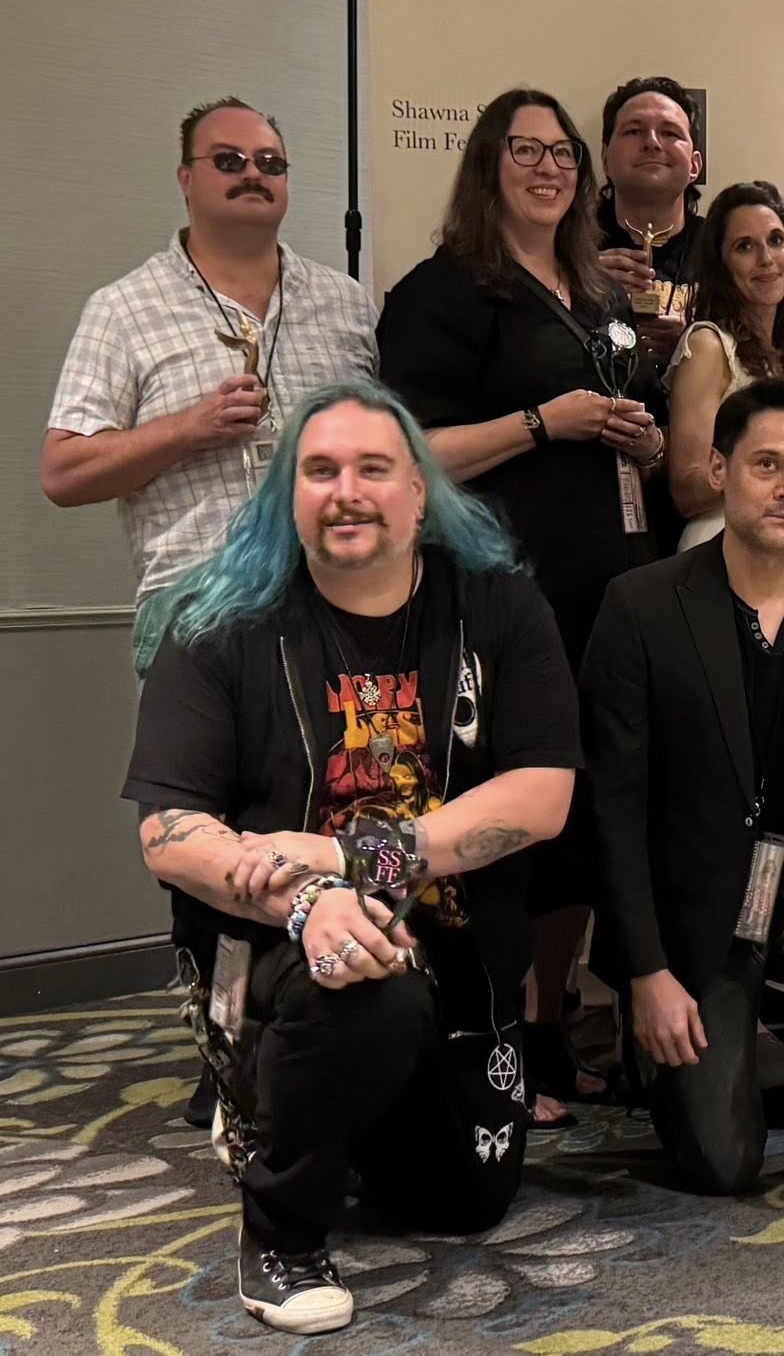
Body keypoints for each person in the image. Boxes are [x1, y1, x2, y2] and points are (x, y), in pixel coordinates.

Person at [124, 381, 579, 1334]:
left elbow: (542, 796)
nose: (347, 492)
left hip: (462, 961)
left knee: (462, 1201)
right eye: (320, 470)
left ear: (418, 490)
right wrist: (309, 899)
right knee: (362, 975)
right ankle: (280, 1234)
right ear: (287, 493)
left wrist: (348, 855)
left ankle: (318, 1108)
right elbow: (167, 830)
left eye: (374, 469)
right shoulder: (214, 621)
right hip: (287, 950)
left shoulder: (497, 605)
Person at [377, 86, 666, 1122]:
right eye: (524, 150)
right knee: (502, 821)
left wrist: (645, 439)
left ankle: (545, 1028)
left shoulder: (596, 291)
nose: (548, 169)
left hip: (607, 590)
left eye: (562, 153)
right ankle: (486, 1031)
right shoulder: (443, 292)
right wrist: (545, 422)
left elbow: (629, 419)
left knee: (582, 821)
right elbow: (410, 453)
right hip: (498, 597)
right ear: (486, 166)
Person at [583, 379, 784, 1217]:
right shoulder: (640, 605)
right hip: (689, 916)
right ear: (718, 470)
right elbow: (611, 810)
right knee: (721, 1164)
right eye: (766, 464)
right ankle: (667, 1040)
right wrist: (646, 974)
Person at [42, 97, 378, 674]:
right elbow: (63, 474)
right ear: (186, 179)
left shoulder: (345, 301)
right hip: (198, 611)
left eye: (270, 163)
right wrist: (186, 429)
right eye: (228, 160)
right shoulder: (124, 308)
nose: (253, 173)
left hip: (345, 599)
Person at [666, 181, 784, 549]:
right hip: (720, 553)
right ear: (721, 267)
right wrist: (781, 467)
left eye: (776, 240)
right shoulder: (709, 346)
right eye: (745, 246)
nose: (766, 258)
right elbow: (687, 489)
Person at [595, 75, 703, 371]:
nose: (652, 143)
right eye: (634, 131)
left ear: (694, 165)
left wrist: (698, 349)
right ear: (605, 159)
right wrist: (579, 286)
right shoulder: (563, 248)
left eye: (670, 133)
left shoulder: (725, 249)